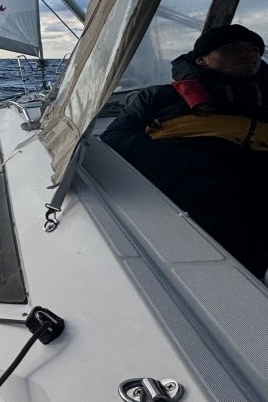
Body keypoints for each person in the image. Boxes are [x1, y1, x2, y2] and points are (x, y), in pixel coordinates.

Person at [101, 24, 268, 279]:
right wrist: (171, 159)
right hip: (186, 173)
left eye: (255, 49)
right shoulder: (161, 96)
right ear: (201, 59)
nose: (249, 54)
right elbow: (115, 137)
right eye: (231, 48)